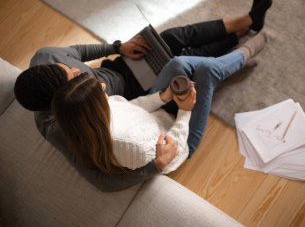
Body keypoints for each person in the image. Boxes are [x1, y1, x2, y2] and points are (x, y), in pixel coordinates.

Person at [14, 0, 272, 190]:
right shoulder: (72, 125)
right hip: (140, 101)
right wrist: (156, 163)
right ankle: (244, 48)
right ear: (66, 101)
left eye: (68, 67)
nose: (75, 69)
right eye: (72, 77)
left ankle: (245, 25)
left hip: (128, 88)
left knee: (170, 40)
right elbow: (103, 178)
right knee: (190, 63)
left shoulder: (48, 60)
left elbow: (80, 55)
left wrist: (118, 47)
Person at [51, 32, 268, 175]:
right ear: (94, 108)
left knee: (178, 63)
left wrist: (162, 97)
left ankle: (228, 65)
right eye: (100, 90)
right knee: (208, 72)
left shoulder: (91, 114)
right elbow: (172, 151)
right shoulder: (131, 147)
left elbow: (133, 108)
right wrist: (184, 111)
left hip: (157, 116)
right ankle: (242, 55)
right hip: (181, 143)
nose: (103, 86)